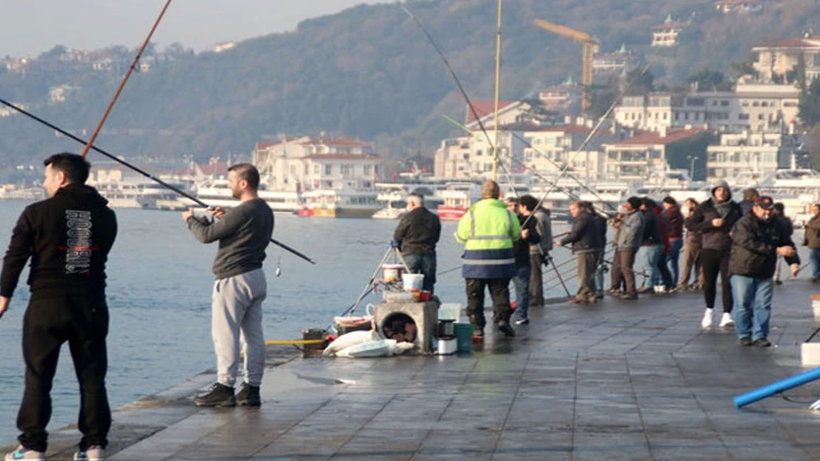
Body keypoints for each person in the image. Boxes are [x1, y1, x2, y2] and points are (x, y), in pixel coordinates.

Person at [0, 153, 117, 461]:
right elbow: (91, 252)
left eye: (47, 177)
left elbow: (14, 257)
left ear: (61, 178)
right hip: (91, 304)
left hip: (47, 304)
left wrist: (3, 296)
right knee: (92, 378)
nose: (44, 183)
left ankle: (33, 447)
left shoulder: (37, 212)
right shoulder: (106, 215)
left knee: (38, 377)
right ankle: (94, 446)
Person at [183, 163, 274, 408]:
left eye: (231, 182)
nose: (229, 186)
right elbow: (241, 229)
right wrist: (226, 218)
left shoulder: (242, 211)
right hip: (256, 276)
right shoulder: (265, 210)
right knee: (254, 336)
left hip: (233, 279)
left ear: (244, 183)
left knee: (225, 335)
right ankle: (252, 389)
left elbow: (206, 236)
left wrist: (191, 220)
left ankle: (225, 387)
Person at [729, 196, 800, 347]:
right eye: (764, 209)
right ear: (755, 208)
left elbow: (786, 243)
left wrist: (793, 262)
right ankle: (744, 333)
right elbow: (749, 243)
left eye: (770, 210)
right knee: (743, 305)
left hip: (765, 270)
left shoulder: (778, 223)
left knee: (763, 305)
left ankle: (760, 335)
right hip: (743, 269)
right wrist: (776, 250)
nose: (767, 213)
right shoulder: (744, 223)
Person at [455, 180, 520, 338]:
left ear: (482, 195)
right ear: (498, 195)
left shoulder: (471, 214)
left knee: (475, 295)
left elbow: (461, 237)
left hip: (475, 263)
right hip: (502, 261)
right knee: (500, 293)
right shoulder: (508, 214)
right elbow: (516, 235)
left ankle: (477, 326)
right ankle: (502, 319)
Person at [685, 180, 743, 329]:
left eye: (724, 190)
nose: (721, 193)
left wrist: (735, 232)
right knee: (709, 282)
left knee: (727, 282)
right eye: (718, 190)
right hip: (709, 248)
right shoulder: (705, 206)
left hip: (729, 249)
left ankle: (727, 314)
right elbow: (690, 224)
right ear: (714, 192)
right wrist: (710, 224)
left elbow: (742, 225)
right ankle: (709, 310)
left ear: (729, 192)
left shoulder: (735, 208)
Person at [392, 192, 441, 293]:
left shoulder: (408, 217)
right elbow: (436, 238)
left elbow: (398, 235)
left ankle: (409, 300)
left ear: (412, 203)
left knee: (409, 283)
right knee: (428, 283)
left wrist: (398, 247)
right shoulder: (434, 218)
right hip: (428, 253)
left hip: (410, 253)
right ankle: (427, 300)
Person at [556, 201, 602, 304]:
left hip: (585, 248)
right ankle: (591, 295)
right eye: (571, 210)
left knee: (583, 274)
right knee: (590, 273)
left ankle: (582, 295)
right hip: (593, 247)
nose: (572, 212)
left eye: (574, 209)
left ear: (581, 208)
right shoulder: (590, 217)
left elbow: (576, 234)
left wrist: (562, 241)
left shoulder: (582, 218)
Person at [505, 197, 539, 325]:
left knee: (523, 289)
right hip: (506, 259)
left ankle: (521, 315)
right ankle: (501, 314)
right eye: (510, 205)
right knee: (501, 290)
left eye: (516, 205)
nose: (513, 208)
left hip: (521, 259)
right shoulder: (502, 220)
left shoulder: (527, 220)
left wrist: (528, 236)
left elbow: (537, 238)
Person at [519, 195, 552, 307]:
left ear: (525, 206)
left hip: (535, 249)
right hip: (540, 249)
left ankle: (535, 297)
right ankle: (535, 296)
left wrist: (526, 236)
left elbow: (537, 235)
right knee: (535, 274)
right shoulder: (543, 215)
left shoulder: (537, 217)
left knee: (534, 275)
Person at [613, 197, 645, 299]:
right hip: (622, 244)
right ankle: (626, 289)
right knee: (622, 268)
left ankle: (631, 291)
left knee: (626, 268)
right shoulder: (628, 215)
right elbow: (618, 226)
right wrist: (618, 220)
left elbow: (632, 231)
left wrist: (622, 223)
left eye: (628, 204)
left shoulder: (637, 216)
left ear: (633, 205)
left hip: (629, 245)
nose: (626, 205)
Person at [677, 198, 703, 291]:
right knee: (700, 263)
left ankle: (683, 282)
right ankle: (701, 281)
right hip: (701, 239)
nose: (686, 205)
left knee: (687, 262)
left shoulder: (694, 214)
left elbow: (690, 225)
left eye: (688, 203)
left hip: (693, 239)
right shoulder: (702, 212)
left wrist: (687, 217)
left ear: (693, 204)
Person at [662, 196, 684, 286]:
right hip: (678, 239)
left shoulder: (670, 212)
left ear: (668, 203)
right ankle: (674, 282)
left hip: (672, 239)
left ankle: (664, 281)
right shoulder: (678, 211)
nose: (664, 205)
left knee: (663, 261)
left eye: (664, 204)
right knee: (674, 262)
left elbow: (663, 222)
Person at [771, 202, 793, 285]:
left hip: (772, 241)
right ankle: (776, 277)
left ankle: (769, 276)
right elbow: (790, 231)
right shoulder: (786, 219)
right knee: (778, 261)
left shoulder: (772, 219)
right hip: (783, 242)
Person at [803, 203, 820, 283]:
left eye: (816, 210)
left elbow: (817, 226)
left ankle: (816, 275)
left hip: (817, 242)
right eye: (813, 210)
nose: (814, 211)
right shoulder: (813, 218)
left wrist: (809, 224)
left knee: (814, 259)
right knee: (815, 259)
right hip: (813, 241)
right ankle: (816, 274)